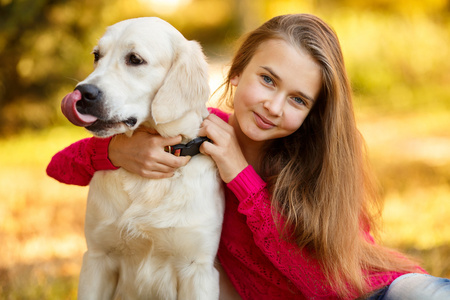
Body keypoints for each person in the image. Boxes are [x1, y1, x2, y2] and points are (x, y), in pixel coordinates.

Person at [47, 14, 450, 299]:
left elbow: (322, 284)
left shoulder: (318, 166)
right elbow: (59, 165)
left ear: (313, 113)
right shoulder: (194, 134)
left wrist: (239, 172)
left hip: (375, 292)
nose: (273, 106)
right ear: (236, 74)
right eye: (267, 79)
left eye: (297, 99)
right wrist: (118, 150)